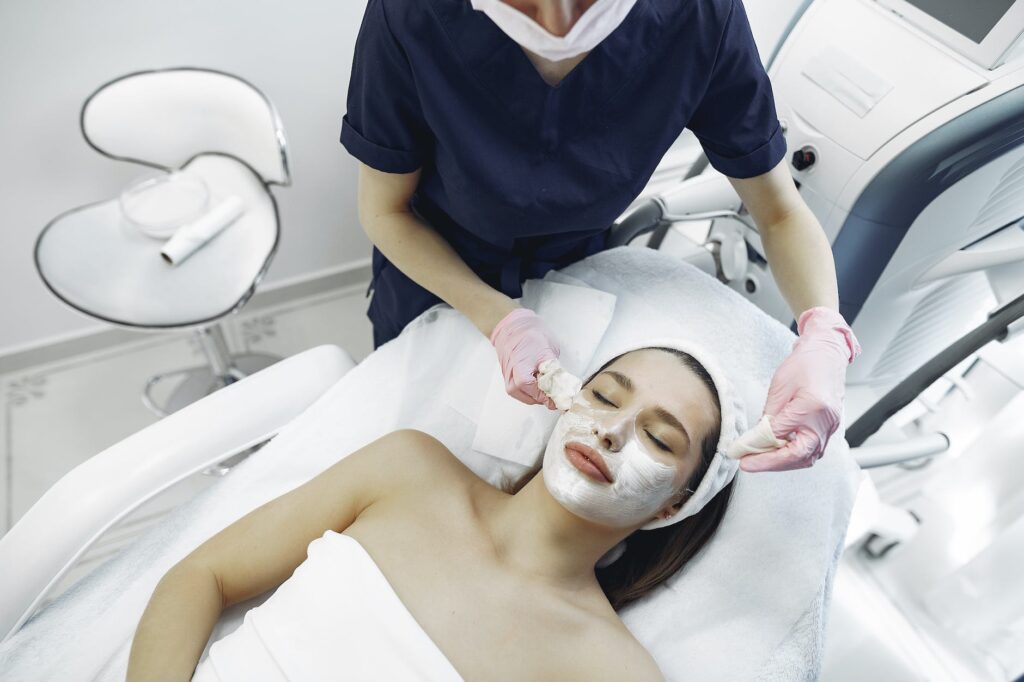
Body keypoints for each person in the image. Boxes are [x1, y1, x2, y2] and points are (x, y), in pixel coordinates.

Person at [342, 0, 862, 474]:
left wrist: (823, 335)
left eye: (660, 439)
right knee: (409, 440)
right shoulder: (411, 14)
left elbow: (778, 212)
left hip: (578, 275)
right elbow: (386, 212)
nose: (558, 20)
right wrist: (499, 319)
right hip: (434, 272)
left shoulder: (700, 17)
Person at [127, 345, 735, 680]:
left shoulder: (612, 671)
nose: (611, 431)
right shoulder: (407, 470)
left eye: (659, 439)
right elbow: (200, 577)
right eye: (604, 396)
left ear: (672, 507)